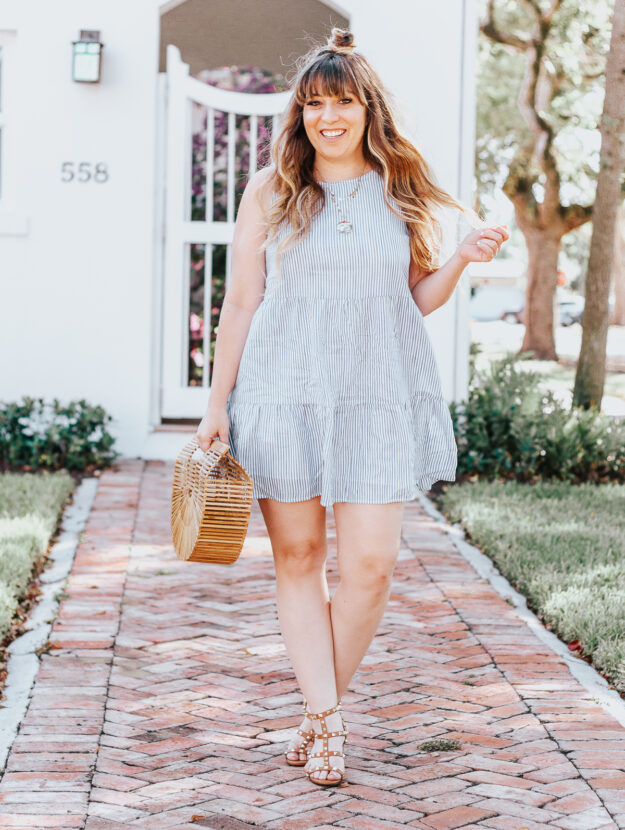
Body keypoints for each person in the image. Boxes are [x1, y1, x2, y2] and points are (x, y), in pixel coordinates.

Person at [196, 27, 508, 787]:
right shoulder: (270, 191)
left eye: (340, 101)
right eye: (312, 104)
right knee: (299, 559)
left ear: (367, 108)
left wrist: (462, 262)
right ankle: (329, 723)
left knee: (369, 567)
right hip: (282, 392)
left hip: (376, 395)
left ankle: (312, 713)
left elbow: (412, 300)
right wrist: (215, 404)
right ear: (298, 115)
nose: (327, 117)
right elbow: (240, 303)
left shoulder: (401, 185)